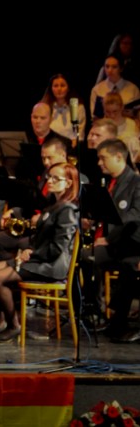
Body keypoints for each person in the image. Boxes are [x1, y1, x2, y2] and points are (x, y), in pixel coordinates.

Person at [0, 162, 80, 342]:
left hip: (50, 265)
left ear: (68, 183)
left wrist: (31, 254)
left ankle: (13, 325)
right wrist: (28, 250)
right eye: (49, 177)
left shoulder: (68, 210)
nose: (49, 181)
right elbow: (39, 239)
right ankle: (0, 321)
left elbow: (58, 248)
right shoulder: (54, 205)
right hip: (39, 258)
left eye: (55, 178)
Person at [93, 139, 140, 342]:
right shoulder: (111, 182)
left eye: (103, 158)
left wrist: (109, 239)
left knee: (127, 266)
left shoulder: (136, 182)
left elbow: (135, 215)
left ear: (119, 157)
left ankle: (116, 319)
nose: (99, 163)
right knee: (87, 257)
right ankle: (95, 310)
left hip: (131, 243)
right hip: (118, 244)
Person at [41, 73, 87, 145]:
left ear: (68, 88)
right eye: (55, 86)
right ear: (51, 89)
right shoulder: (45, 106)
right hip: (49, 146)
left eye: (62, 85)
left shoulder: (76, 107)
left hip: (70, 147)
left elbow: (79, 134)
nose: (59, 89)